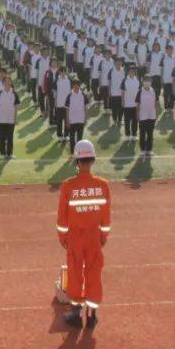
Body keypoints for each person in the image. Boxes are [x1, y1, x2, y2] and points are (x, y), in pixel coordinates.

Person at [56, 139, 110, 329]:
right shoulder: (103, 185)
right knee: (94, 272)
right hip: (94, 237)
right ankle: (92, 315)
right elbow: (106, 216)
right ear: (92, 160)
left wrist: (63, 238)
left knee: (76, 272)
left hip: (75, 238)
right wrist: (103, 237)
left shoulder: (68, 186)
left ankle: (76, 315)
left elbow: (62, 217)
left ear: (77, 162)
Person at [0, 76, 19, 159]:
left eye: (9, 81)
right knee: (2, 137)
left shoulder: (14, 94)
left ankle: (10, 153)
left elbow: (16, 107)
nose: (7, 83)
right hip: (1, 119)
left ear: (11, 83)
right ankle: (2, 153)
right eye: (5, 81)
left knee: (10, 137)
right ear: (3, 83)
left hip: (11, 119)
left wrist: (15, 118)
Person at [136, 76, 157, 157]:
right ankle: (142, 150)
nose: (147, 82)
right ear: (142, 81)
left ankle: (149, 150)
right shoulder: (140, 92)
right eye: (145, 80)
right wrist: (137, 115)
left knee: (150, 134)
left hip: (151, 116)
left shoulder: (153, 91)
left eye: (149, 80)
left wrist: (156, 114)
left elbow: (155, 103)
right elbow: (137, 104)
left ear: (151, 81)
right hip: (142, 116)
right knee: (142, 134)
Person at [65, 79, 88, 151]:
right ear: (72, 86)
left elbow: (85, 108)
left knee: (79, 139)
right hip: (72, 121)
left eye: (77, 86)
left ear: (79, 86)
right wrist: (67, 120)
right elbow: (67, 109)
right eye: (74, 86)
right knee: (72, 139)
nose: (75, 88)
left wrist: (85, 118)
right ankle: (72, 153)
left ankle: (78, 154)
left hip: (80, 120)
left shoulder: (83, 95)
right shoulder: (69, 96)